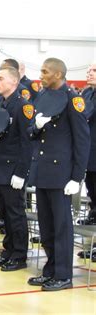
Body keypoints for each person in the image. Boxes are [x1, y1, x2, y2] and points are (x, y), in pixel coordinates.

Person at [27, 58, 90, 291]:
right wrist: (37, 127)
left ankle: (63, 274)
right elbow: (31, 132)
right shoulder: (42, 96)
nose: (41, 75)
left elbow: (82, 141)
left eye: (45, 72)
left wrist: (76, 177)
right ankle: (50, 269)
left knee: (62, 226)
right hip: (42, 169)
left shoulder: (73, 100)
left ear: (58, 74)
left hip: (62, 173)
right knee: (46, 225)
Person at [0, 66, 33, 271]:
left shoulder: (23, 106)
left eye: (1, 78)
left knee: (15, 212)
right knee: (4, 212)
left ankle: (19, 254)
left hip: (13, 169)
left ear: (14, 81)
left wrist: (21, 172)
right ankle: (8, 250)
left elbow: (27, 143)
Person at [82, 63, 96, 228]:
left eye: (94, 71)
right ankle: (93, 215)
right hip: (88, 150)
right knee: (90, 188)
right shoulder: (86, 93)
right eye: (88, 71)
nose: (89, 73)